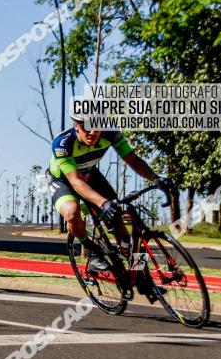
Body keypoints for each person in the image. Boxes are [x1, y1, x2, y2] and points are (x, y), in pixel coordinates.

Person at [48, 111, 174, 271]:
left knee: (118, 223)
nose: (93, 133)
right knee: (72, 212)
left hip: (90, 174)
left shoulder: (110, 133)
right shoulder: (62, 143)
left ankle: (142, 275)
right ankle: (91, 249)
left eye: (97, 127)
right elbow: (76, 182)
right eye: (88, 128)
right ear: (76, 125)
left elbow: (132, 159)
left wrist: (155, 178)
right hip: (64, 180)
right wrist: (103, 202)